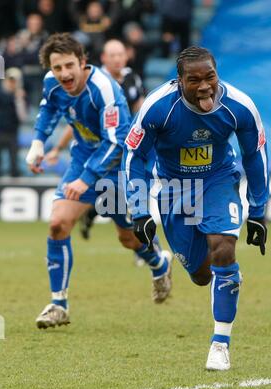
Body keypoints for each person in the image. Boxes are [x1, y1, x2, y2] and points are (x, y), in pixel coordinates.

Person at [123, 47, 269, 371]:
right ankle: (220, 276)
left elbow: (255, 156)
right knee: (202, 275)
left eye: (210, 77)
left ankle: (220, 344)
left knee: (223, 249)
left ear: (218, 74)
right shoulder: (158, 108)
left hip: (219, 181)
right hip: (174, 189)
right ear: (179, 81)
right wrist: (141, 211)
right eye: (194, 80)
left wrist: (258, 211)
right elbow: (135, 159)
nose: (205, 86)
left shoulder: (239, 107)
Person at [25, 33, 173, 330]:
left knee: (128, 238)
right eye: (57, 68)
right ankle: (59, 304)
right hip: (83, 158)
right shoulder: (52, 83)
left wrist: (86, 180)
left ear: (83, 62)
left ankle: (159, 263)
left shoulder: (104, 89)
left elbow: (117, 142)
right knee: (57, 224)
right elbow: (49, 109)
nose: (64, 74)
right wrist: (39, 143)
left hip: (120, 165)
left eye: (69, 66)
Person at [46, 39, 146, 240]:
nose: (117, 59)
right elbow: (76, 123)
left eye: (120, 55)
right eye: (112, 55)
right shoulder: (89, 82)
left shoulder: (132, 79)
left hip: (119, 160)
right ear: (103, 58)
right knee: (60, 222)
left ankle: (152, 256)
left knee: (126, 231)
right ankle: (89, 215)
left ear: (126, 56)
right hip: (91, 157)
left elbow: (141, 114)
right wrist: (57, 148)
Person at [0, 68, 27, 177]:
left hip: (12, 132)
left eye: (14, 80)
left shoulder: (19, 96)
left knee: (14, 162)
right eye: (10, 79)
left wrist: (19, 100)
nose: (12, 83)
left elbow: (23, 117)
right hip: (0, 131)